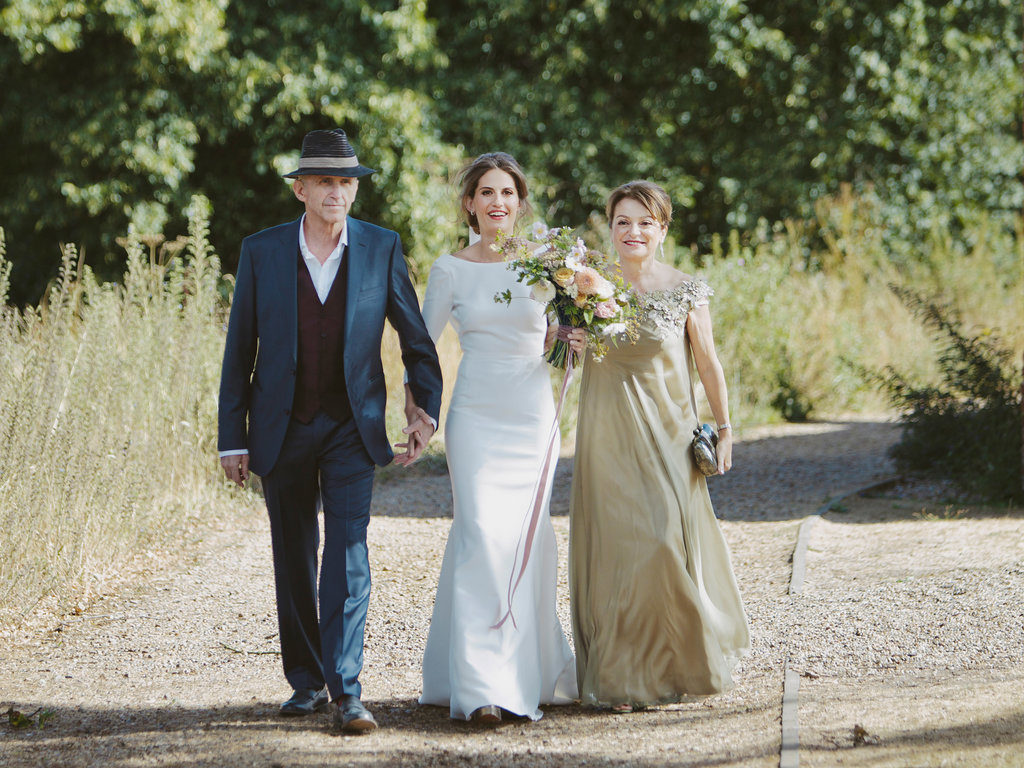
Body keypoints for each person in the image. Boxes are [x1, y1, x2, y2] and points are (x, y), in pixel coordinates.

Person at [217, 128, 442, 733]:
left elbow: (416, 341)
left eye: (346, 181)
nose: (337, 191)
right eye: (324, 181)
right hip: (279, 425)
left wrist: (425, 412)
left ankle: (347, 691)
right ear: (300, 189)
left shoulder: (381, 247)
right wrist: (231, 436)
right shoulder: (261, 251)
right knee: (293, 554)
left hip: (351, 424)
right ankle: (306, 683)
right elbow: (239, 350)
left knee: (348, 554)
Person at [569, 180, 750, 712]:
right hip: (608, 435)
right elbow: (565, 358)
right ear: (610, 227)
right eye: (623, 222)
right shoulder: (583, 283)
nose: (633, 231)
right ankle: (621, 674)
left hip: (670, 435)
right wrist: (568, 342)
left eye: (645, 221)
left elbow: (709, 363)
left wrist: (725, 426)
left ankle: (679, 660)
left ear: (663, 228)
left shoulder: (686, 288)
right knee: (620, 548)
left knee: (663, 540)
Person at [417, 152, 580, 723]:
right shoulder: (451, 269)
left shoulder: (549, 266)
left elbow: (562, 336)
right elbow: (423, 349)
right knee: (481, 531)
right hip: (477, 416)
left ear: (520, 203)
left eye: (508, 194)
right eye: (486, 193)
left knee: (526, 538)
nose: (497, 203)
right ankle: (481, 686)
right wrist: (420, 415)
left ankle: (524, 675)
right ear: (469, 204)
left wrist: (571, 336)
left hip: (534, 414)